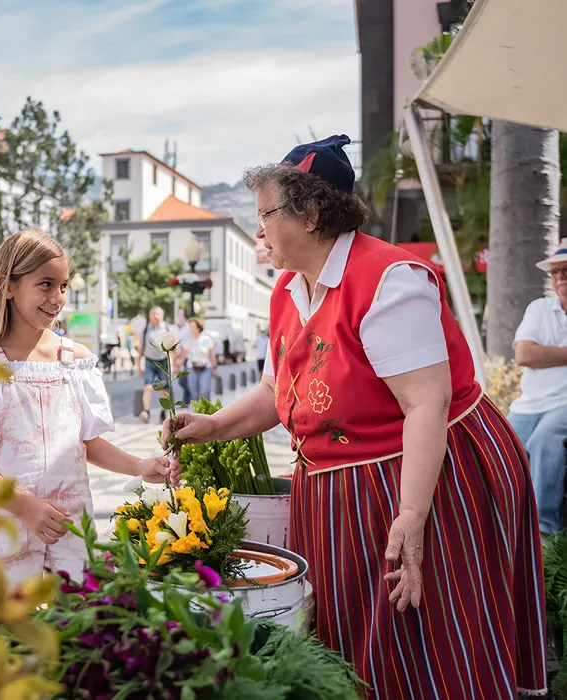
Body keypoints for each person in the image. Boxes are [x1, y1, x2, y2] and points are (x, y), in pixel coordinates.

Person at [163, 135, 547, 698]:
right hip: (337, 487)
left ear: (312, 212)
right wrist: (215, 425)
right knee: (357, 639)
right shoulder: (288, 290)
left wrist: (412, 516)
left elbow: (426, 403)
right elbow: (279, 388)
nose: (259, 231)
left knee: (427, 638)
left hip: (426, 474)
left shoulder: (388, 280)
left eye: (265, 214)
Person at [0, 229, 172, 583]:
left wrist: (140, 465)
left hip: (71, 526)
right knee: (15, 628)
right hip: (9, 524)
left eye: (64, 285)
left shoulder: (76, 361)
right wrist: (23, 506)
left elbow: (88, 444)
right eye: (46, 284)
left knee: (75, 624)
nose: (58, 297)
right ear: (8, 286)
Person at [508, 237, 567, 535]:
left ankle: (545, 532)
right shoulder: (539, 308)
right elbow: (524, 355)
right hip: (530, 403)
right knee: (503, 447)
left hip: (564, 405)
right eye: (554, 272)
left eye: (565, 271)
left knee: (545, 439)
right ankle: (505, 525)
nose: (558, 278)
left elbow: (535, 353)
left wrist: (546, 354)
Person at [138, 306, 171, 423]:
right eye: (153, 314)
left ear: (162, 316)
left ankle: (163, 411)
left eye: (158, 314)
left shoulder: (166, 329)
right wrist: (138, 365)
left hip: (163, 361)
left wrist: (174, 364)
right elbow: (140, 348)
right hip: (149, 361)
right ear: (150, 316)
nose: (156, 316)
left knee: (164, 388)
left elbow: (172, 347)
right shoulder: (146, 330)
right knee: (148, 387)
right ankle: (146, 411)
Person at [177, 318, 216, 402]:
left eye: (192, 326)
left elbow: (212, 355)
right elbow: (183, 355)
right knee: (194, 393)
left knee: (204, 391)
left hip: (205, 368)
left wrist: (214, 368)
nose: (190, 328)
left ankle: (206, 412)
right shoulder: (188, 340)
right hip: (192, 368)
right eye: (189, 326)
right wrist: (178, 367)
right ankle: (196, 413)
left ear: (198, 327)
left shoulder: (206, 339)